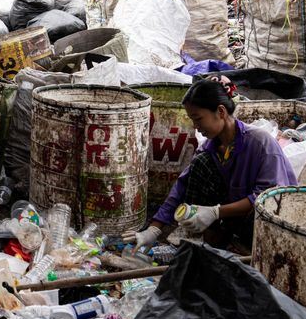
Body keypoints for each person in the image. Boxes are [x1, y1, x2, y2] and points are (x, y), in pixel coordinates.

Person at [126, 75, 296, 250]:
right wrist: (154, 229)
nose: (195, 126)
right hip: (234, 218)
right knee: (200, 165)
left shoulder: (260, 143)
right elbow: (182, 186)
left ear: (220, 112)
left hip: (271, 222)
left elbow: (269, 198)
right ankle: (206, 240)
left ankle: (237, 245)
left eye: (198, 119)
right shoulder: (210, 147)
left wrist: (215, 212)